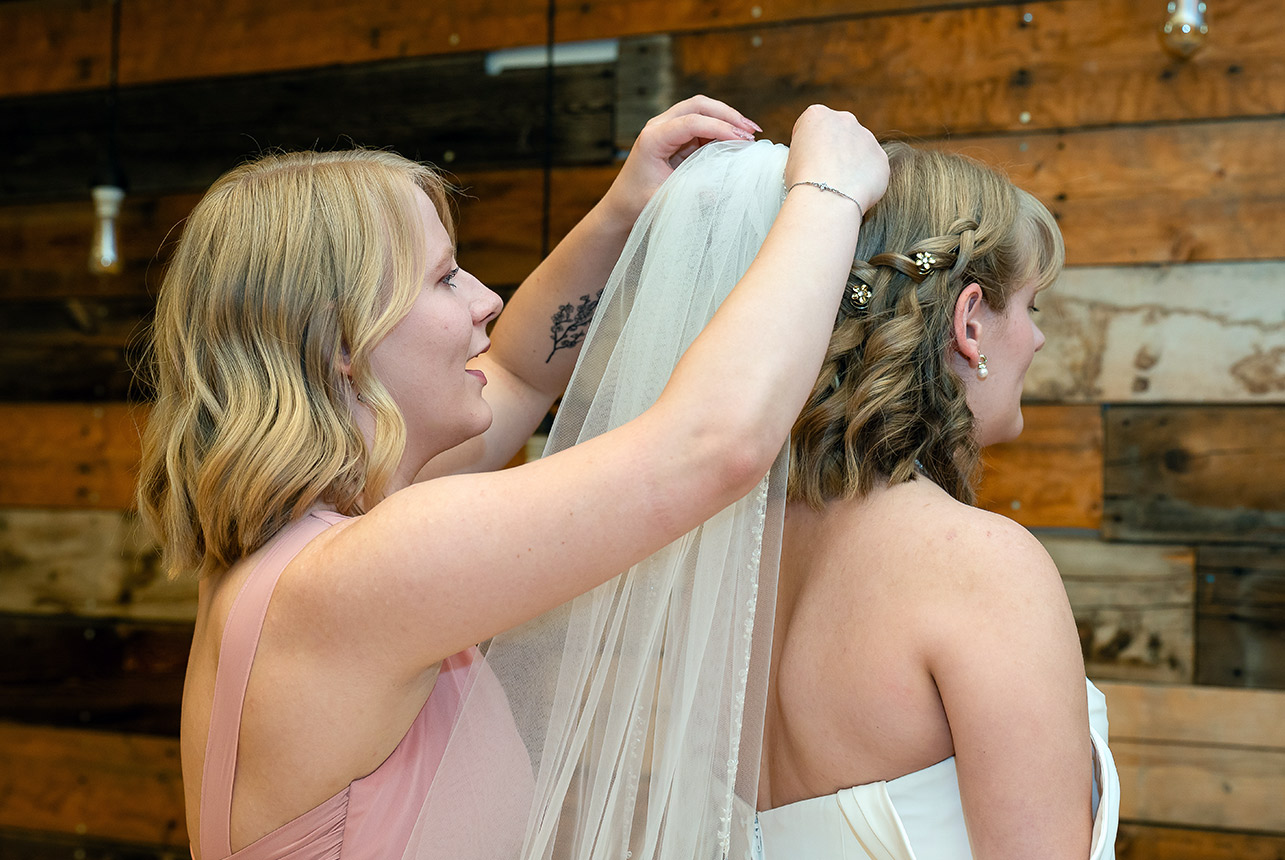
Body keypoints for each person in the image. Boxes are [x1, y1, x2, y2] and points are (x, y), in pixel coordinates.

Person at [136, 98, 890, 860]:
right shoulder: (365, 572)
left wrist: (626, 207)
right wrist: (828, 195)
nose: (485, 300)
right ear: (341, 340)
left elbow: (520, 371)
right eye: (444, 278)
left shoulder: (303, 551)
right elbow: (709, 447)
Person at [752, 142, 1119, 859]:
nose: (1038, 338)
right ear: (969, 320)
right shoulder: (979, 565)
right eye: (1030, 306)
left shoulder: (734, 550)